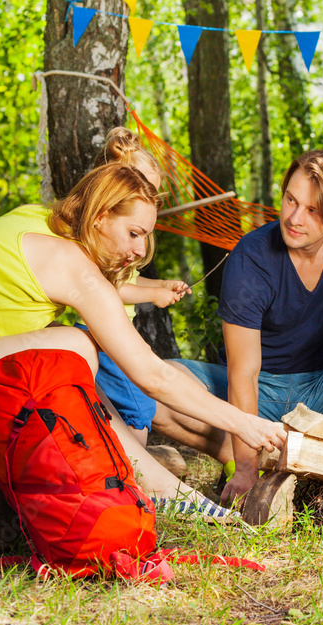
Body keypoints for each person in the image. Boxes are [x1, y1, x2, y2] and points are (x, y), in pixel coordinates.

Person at [0, 160, 287, 515]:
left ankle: (142, 477)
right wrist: (247, 423)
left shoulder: (45, 223)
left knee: (65, 343)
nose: (139, 251)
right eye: (134, 234)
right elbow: (152, 376)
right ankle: (152, 486)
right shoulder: (72, 265)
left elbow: (109, 296)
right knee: (75, 347)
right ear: (98, 218)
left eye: (146, 238)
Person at [152, 149, 323, 503]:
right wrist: (244, 469)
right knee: (156, 383)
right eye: (290, 200)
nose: (295, 218)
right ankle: (278, 456)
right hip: (262, 398)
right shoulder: (251, 257)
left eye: (312, 211)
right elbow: (244, 374)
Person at [71, 127, 192, 448]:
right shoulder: (98, 238)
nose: (148, 199)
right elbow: (109, 289)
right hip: (98, 331)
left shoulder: (115, 235)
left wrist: (160, 284)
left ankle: (129, 463)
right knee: (137, 407)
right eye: (144, 189)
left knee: (129, 405)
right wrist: (153, 294)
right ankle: (133, 468)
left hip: (113, 329)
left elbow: (124, 280)